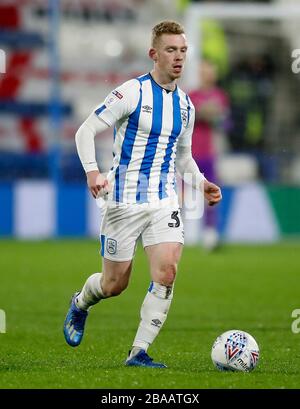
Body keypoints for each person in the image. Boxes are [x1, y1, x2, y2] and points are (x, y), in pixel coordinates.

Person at [63, 20, 222, 368]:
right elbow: (85, 131)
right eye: (170, 50)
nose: (178, 57)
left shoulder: (185, 106)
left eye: (182, 50)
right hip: (123, 202)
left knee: (167, 272)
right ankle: (81, 302)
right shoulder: (131, 93)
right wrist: (92, 170)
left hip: (164, 200)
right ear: (153, 54)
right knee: (114, 283)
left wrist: (201, 183)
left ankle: (139, 352)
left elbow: (183, 158)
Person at [189, 59, 229, 250]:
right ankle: (177, 231)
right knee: (180, 194)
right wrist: (208, 112)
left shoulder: (220, 95)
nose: (208, 75)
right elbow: (197, 115)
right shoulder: (191, 95)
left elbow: (222, 120)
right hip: (188, 155)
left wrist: (207, 112)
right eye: (205, 71)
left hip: (209, 153)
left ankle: (210, 235)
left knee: (211, 194)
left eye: (210, 71)